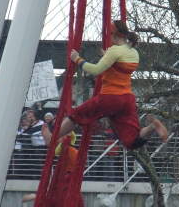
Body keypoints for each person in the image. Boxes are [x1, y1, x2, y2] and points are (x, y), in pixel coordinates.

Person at [54, 20, 168, 150]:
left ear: (114, 34)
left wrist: (77, 59)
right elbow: (119, 69)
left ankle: (52, 137)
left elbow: (95, 70)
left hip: (110, 97)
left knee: (76, 116)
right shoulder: (133, 52)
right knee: (132, 141)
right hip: (127, 99)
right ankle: (152, 126)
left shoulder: (114, 51)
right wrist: (107, 57)